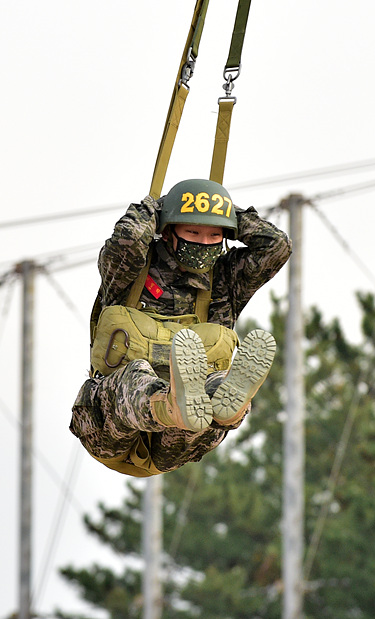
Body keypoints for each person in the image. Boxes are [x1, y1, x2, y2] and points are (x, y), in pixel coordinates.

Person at [69, 178, 292, 476]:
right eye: (192, 231)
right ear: (168, 230)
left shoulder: (224, 280)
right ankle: (170, 403)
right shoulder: (129, 271)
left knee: (211, 392)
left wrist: (226, 212)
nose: (203, 242)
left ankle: (224, 405)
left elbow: (276, 247)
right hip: (109, 427)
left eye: (215, 235)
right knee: (136, 376)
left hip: (175, 442)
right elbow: (128, 239)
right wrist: (157, 208)